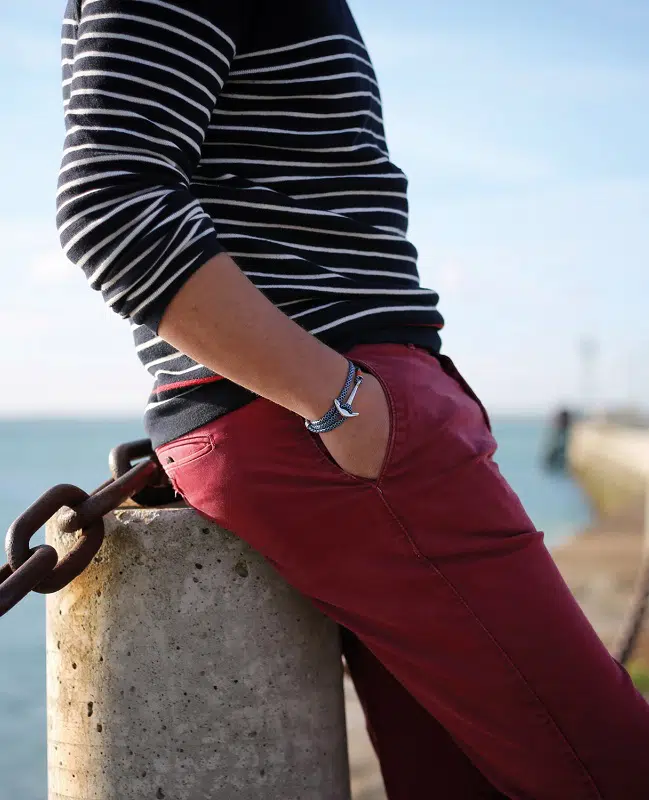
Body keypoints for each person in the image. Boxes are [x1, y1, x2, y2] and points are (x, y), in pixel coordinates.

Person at [57, 1, 649, 797]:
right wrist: (336, 401)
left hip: (330, 420)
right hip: (329, 424)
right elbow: (109, 202)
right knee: (611, 763)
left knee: (464, 780)